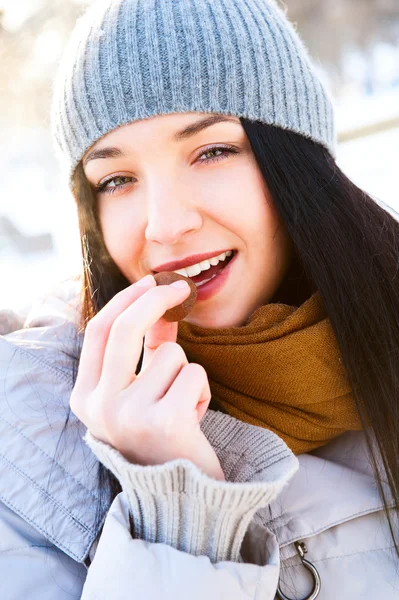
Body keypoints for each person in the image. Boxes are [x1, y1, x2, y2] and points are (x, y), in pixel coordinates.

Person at [1, 0, 398, 598]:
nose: (163, 224)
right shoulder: (27, 457)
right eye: (117, 180)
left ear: (297, 161)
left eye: (212, 150)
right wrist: (176, 514)